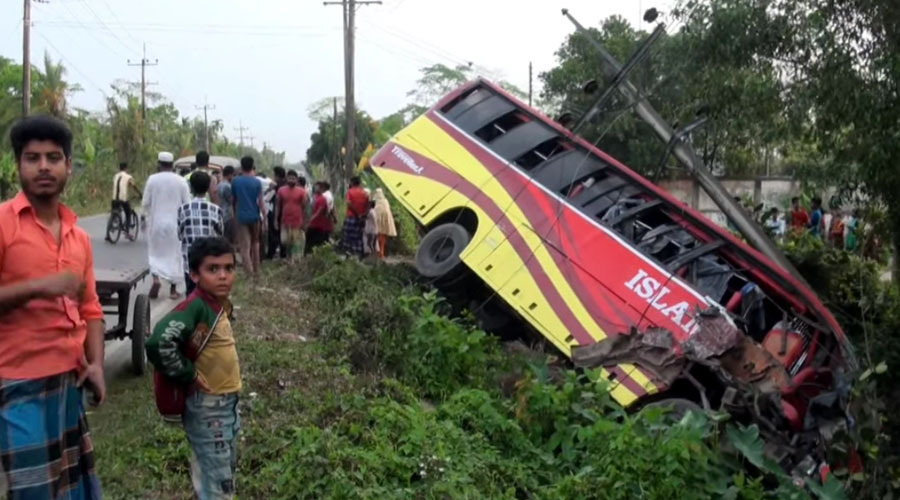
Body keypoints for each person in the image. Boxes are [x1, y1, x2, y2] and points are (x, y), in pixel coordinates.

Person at [0, 116, 104, 498]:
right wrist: (38, 287)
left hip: (69, 383)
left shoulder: (80, 237)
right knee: (35, 493)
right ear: (19, 166)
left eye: (53, 157)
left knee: (74, 491)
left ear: (68, 167)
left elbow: (91, 309)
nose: (44, 166)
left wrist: (96, 364)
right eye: (33, 158)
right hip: (17, 384)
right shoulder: (3, 225)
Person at [146, 237, 241, 500]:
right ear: (194, 275)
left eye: (229, 268)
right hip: (209, 407)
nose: (223, 276)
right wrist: (189, 374)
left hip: (226, 405)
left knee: (216, 471)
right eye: (213, 269)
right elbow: (158, 342)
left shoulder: (215, 306)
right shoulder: (196, 307)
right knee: (219, 483)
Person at [144, 151, 191, 299]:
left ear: (159, 164)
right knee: (175, 255)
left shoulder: (152, 179)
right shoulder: (181, 181)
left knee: (155, 253)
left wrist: (144, 219)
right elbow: (187, 204)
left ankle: (156, 279)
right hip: (175, 225)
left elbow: (145, 203)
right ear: (172, 165)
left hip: (156, 223)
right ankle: (172, 289)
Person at [178, 171, 224, 296]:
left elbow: (179, 235)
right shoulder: (216, 210)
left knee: (191, 295)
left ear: (191, 188)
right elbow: (220, 236)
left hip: (190, 263)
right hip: (209, 262)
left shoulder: (183, 209)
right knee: (209, 296)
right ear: (208, 187)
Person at [232, 156, 266, 275]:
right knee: (256, 243)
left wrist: (234, 215)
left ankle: (249, 273)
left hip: (242, 217)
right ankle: (257, 271)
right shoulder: (257, 182)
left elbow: (234, 200)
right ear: (252, 166)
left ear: (241, 167)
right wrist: (265, 218)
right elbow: (261, 202)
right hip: (255, 216)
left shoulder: (236, 181)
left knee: (245, 247)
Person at [275, 170, 309, 260]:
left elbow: (305, 208)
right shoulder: (281, 190)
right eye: (289, 178)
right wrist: (275, 220)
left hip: (297, 221)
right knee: (284, 241)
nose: (291, 180)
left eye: (293, 178)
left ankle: (294, 262)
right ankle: (289, 258)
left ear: (296, 180)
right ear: (286, 179)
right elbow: (278, 206)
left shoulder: (302, 192)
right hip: (285, 221)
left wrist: (305, 222)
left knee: (296, 243)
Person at [108, 161, 141, 242]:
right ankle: (126, 231)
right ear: (126, 168)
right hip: (123, 199)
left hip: (114, 199)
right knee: (128, 213)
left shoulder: (115, 176)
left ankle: (107, 234)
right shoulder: (128, 176)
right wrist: (140, 194)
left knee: (113, 214)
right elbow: (134, 186)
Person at [340, 176, 369, 257]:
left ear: (352, 183)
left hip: (351, 217)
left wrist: (357, 213)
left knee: (347, 237)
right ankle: (358, 255)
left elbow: (349, 203)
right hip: (361, 219)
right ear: (359, 183)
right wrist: (363, 214)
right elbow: (369, 206)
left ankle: (348, 255)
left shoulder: (350, 192)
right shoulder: (364, 193)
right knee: (358, 237)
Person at [265, 166, 287, 260]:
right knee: (281, 235)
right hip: (283, 214)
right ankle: (282, 254)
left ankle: (271, 254)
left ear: (277, 176)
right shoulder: (285, 186)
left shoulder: (278, 187)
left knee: (273, 235)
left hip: (276, 214)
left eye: (274, 175)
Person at [305, 182, 333, 254]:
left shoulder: (322, 198)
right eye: (316, 186)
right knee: (309, 244)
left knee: (315, 245)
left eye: (318, 187)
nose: (316, 188)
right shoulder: (314, 197)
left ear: (321, 188)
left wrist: (309, 222)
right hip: (312, 225)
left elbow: (318, 213)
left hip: (317, 226)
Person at [373, 187, 397, 259]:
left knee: (378, 238)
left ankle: (379, 253)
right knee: (383, 239)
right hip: (386, 223)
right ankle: (381, 253)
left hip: (378, 223)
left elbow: (376, 212)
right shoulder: (385, 201)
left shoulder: (377, 202)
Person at [218, 165, 237, 244]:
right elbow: (231, 201)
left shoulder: (219, 185)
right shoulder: (228, 187)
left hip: (221, 214)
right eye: (233, 175)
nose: (233, 177)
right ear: (229, 174)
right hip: (227, 215)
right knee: (228, 238)